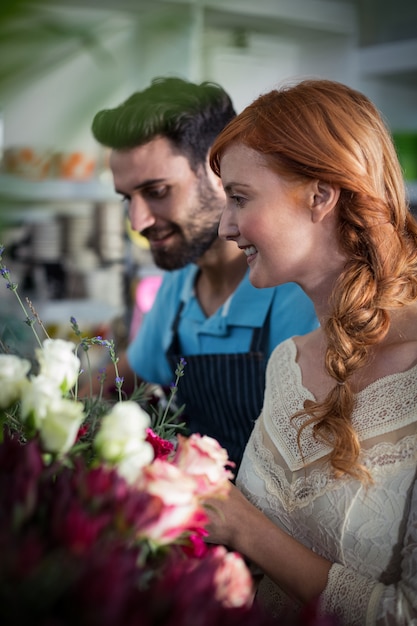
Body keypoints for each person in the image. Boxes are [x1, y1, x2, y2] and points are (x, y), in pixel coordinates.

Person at [205, 78, 417, 624]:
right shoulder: (287, 363)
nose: (226, 226)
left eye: (239, 197)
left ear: (321, 195)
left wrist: (242, 526)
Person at [87, 77, 318, 469]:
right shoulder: (179, 284)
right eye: (128, 198)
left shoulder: (303, 291)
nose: (137, 221)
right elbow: (121, 374)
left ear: (220, 167)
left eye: (157, 191)